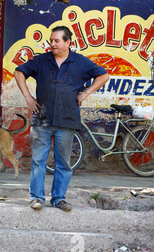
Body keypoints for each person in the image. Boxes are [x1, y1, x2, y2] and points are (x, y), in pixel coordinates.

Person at [14, 26, 109, 211]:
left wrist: (85, 93)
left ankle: (59, 199)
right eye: (51, 40)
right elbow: (19, 72)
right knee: (37, 160)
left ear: (68, 42)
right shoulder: (42, 60)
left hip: (67, 118)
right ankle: (36, 198)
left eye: (57, 40)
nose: (53, 44)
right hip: (42, 117)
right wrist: (28, 97)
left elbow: (104, 75)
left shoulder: (80, 62)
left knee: (64, 163)